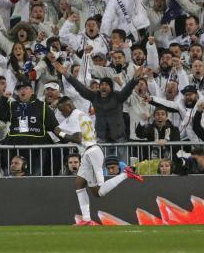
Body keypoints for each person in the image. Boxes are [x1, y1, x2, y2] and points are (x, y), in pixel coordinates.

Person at [53, 96, 143, 226]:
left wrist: (60, 133)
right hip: (91, 151)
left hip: (91, 152)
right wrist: (58, 130)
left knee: (99, 191)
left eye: (62, 110)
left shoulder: (73, 116)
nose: (62, 113)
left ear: (69, 106)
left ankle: (126, 174)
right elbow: (64, 129)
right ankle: (86, 220)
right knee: (80, 185)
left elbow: (77, 138)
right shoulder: (81, 114)